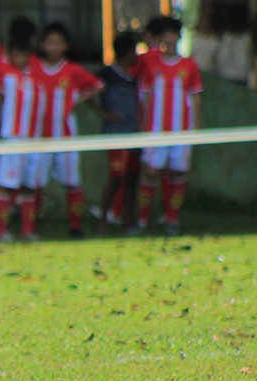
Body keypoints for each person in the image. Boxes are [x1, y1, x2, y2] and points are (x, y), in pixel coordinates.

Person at [30, 22, 103, 237]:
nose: (54, 47)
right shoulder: (34, 67)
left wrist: (77, 99)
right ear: (42, 45)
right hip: (40, 137)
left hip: (66, 136)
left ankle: (75, 227)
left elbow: (98, 86)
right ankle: (32, 224)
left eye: (58, 43)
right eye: (50, 42)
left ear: (66, 46)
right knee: (36, 183)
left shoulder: (72, 70)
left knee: (72, 182)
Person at [133, 17, 202, 236]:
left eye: (173, 35)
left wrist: (196, 127)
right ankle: (142, 221)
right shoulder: (152, 65)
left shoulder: (189, 65)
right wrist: (143, 125)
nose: (169, 39)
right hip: (155, 130)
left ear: (179, 37)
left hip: (181, 130)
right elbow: (145, 96)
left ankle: (171, 220)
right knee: (151, 172)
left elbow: (196, 96)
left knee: (178, 173)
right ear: (160, 39)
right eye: (165, 35)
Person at [0, 21, 46, 242]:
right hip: (13, 138)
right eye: (15, 54)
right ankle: (1, 231)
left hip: (35, 138)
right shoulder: (6, 73)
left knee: (29, 185)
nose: (20, 58)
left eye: (24, 54)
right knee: (6, 184)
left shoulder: (35, 74)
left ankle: (28, 230)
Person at [87, 32, 140, 231]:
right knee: (116, 176)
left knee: (132, 179)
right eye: (134, 51)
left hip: (134, 133)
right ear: (128, 53)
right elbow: (87, 91)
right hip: (115, 134)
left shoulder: (133, 76)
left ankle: (129, 222)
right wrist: (104, 113)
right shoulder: (107, 74)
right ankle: (103, 221)